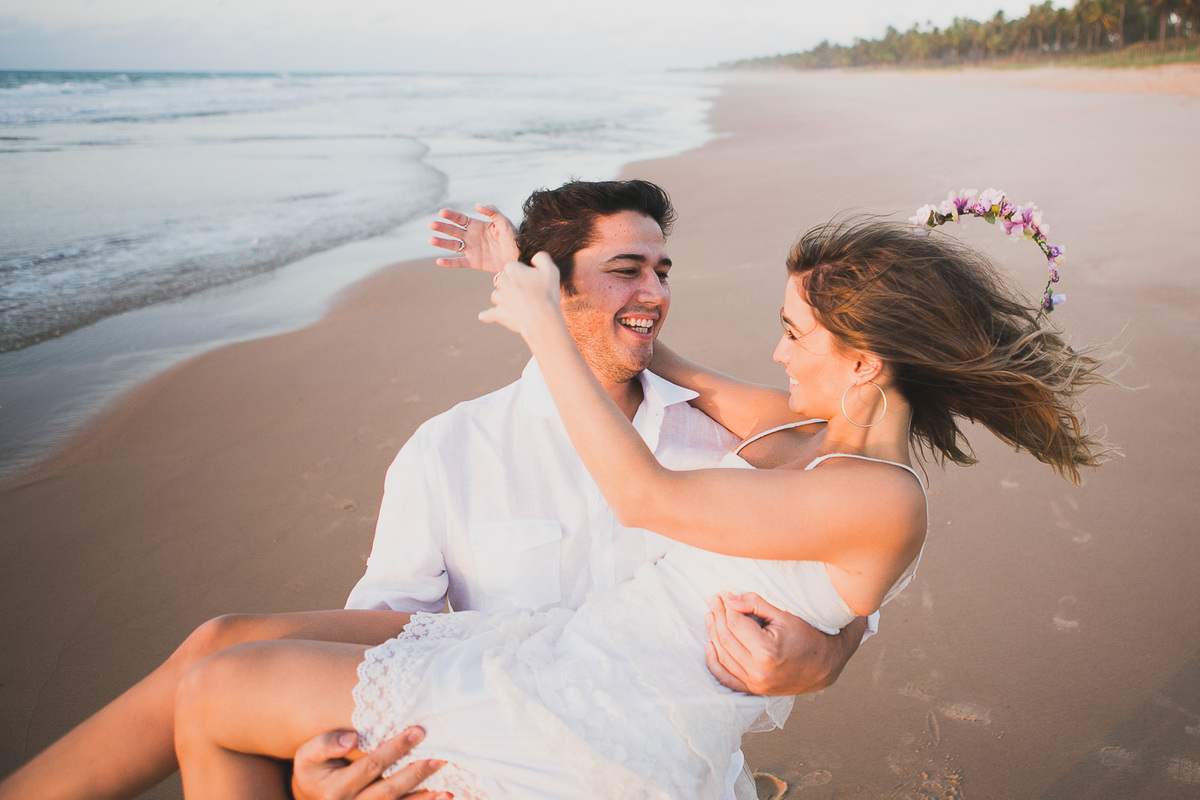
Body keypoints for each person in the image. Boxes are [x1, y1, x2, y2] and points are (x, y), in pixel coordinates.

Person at [167, 214, 1114, 798]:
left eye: (792, 335)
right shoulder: (808, 442)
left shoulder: (877, 500)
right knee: (221, 653)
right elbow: (660, 360)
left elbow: (643, 493)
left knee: (217, 693)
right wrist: (537, 275)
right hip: (567, 662)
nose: (778, 357)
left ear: (864, 362)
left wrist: (543, 332)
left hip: (593, 723)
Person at [0, 180, 859, 800]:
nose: (657, 294)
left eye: (662, 272)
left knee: (222, 665)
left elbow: (846, 540)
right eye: (627, 270)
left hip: (649, 765)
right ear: (547, 287)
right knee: (221, 652)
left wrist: (830, 656)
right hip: (477, 750)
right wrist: (318, 766)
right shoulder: (450, 448)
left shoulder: (723, 441)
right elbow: (385, 638)